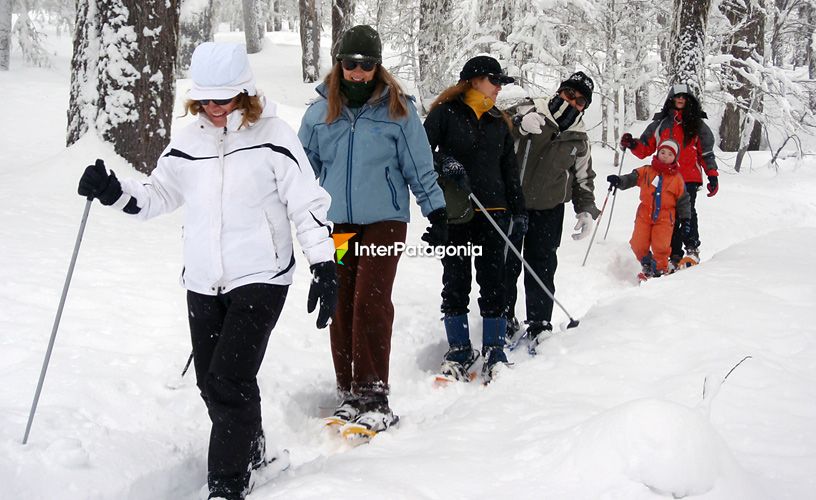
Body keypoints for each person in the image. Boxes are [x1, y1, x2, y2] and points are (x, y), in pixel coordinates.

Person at [77, 42, 338, 500]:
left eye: (225, 98)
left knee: (227, 379)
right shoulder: (188, 140)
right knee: (212, 380)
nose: (215, 108)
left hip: (262, 275)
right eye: (207, 99)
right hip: (201, 280)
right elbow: (156, 195)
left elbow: (307, 203)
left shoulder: (274, 135)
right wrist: (113, 191)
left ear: (245, 93)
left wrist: (324, 264)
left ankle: (227, 483)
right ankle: (253, 451)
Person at [298, 25, 446, 433]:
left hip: (384, 222)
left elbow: (419, 167)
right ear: (339, 64)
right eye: (351, 64)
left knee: (371, 300)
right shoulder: (318, 114)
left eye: (367, 65)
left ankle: (374, 393)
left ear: (378, 67)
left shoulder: (398, 110)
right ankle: (348, 393)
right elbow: (299, 174)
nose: (359, 72)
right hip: (338, 226)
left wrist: (436, 213)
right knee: (341, 302)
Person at [423, 55, 526, 383]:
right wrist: (446, 163)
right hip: (457, 213)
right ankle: (459, 348)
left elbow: (510, 171)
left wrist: (519, 210)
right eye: (495, 81)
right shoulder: (445, 114)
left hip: (494, 213)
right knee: (455, 281)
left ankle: (495, 347)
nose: (499, 88)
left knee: (493, 282)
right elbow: (421, 153)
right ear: (475, 79)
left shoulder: (500, 121)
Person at [504, 71, 600, 348]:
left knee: (542, 265)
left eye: (580, 100)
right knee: (506, 264)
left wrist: (585, 209)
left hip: (549, 209)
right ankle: (503, 316)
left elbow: (584, 177)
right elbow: (496, 135)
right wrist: (519, 125)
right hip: (513, 203)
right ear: (560, 91)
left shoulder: (578, 138)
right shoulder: (530, 109)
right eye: (569, 94)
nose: (573, 102)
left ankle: (539, 323)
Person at [619, 83, 718, 267]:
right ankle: (673, 255)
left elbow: (706, 153)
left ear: (690, 100)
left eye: (684, 97)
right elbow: (645, 148)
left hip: (689, 178)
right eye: (677, 96)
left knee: (687, 213)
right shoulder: (661, 125)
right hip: (666, 178)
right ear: (671, 99)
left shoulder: (697, 125)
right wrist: (632, 144)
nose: (680, 100)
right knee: (669, 217)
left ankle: (691, 249)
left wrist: (712, 175)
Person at [606, 139, 692, 279]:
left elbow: (684, 201)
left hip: (665, 218)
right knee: (638, 243)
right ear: (658, 153)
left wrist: (686, 219)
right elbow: (632, 178)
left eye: (670, 154)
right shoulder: (646, 171)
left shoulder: (677, 179)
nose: (665, 156)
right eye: (662, 152)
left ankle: (659, 269)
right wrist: (619, 181)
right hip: (644, 214)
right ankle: (645, 264)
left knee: (661, 246)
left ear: (675, 158)